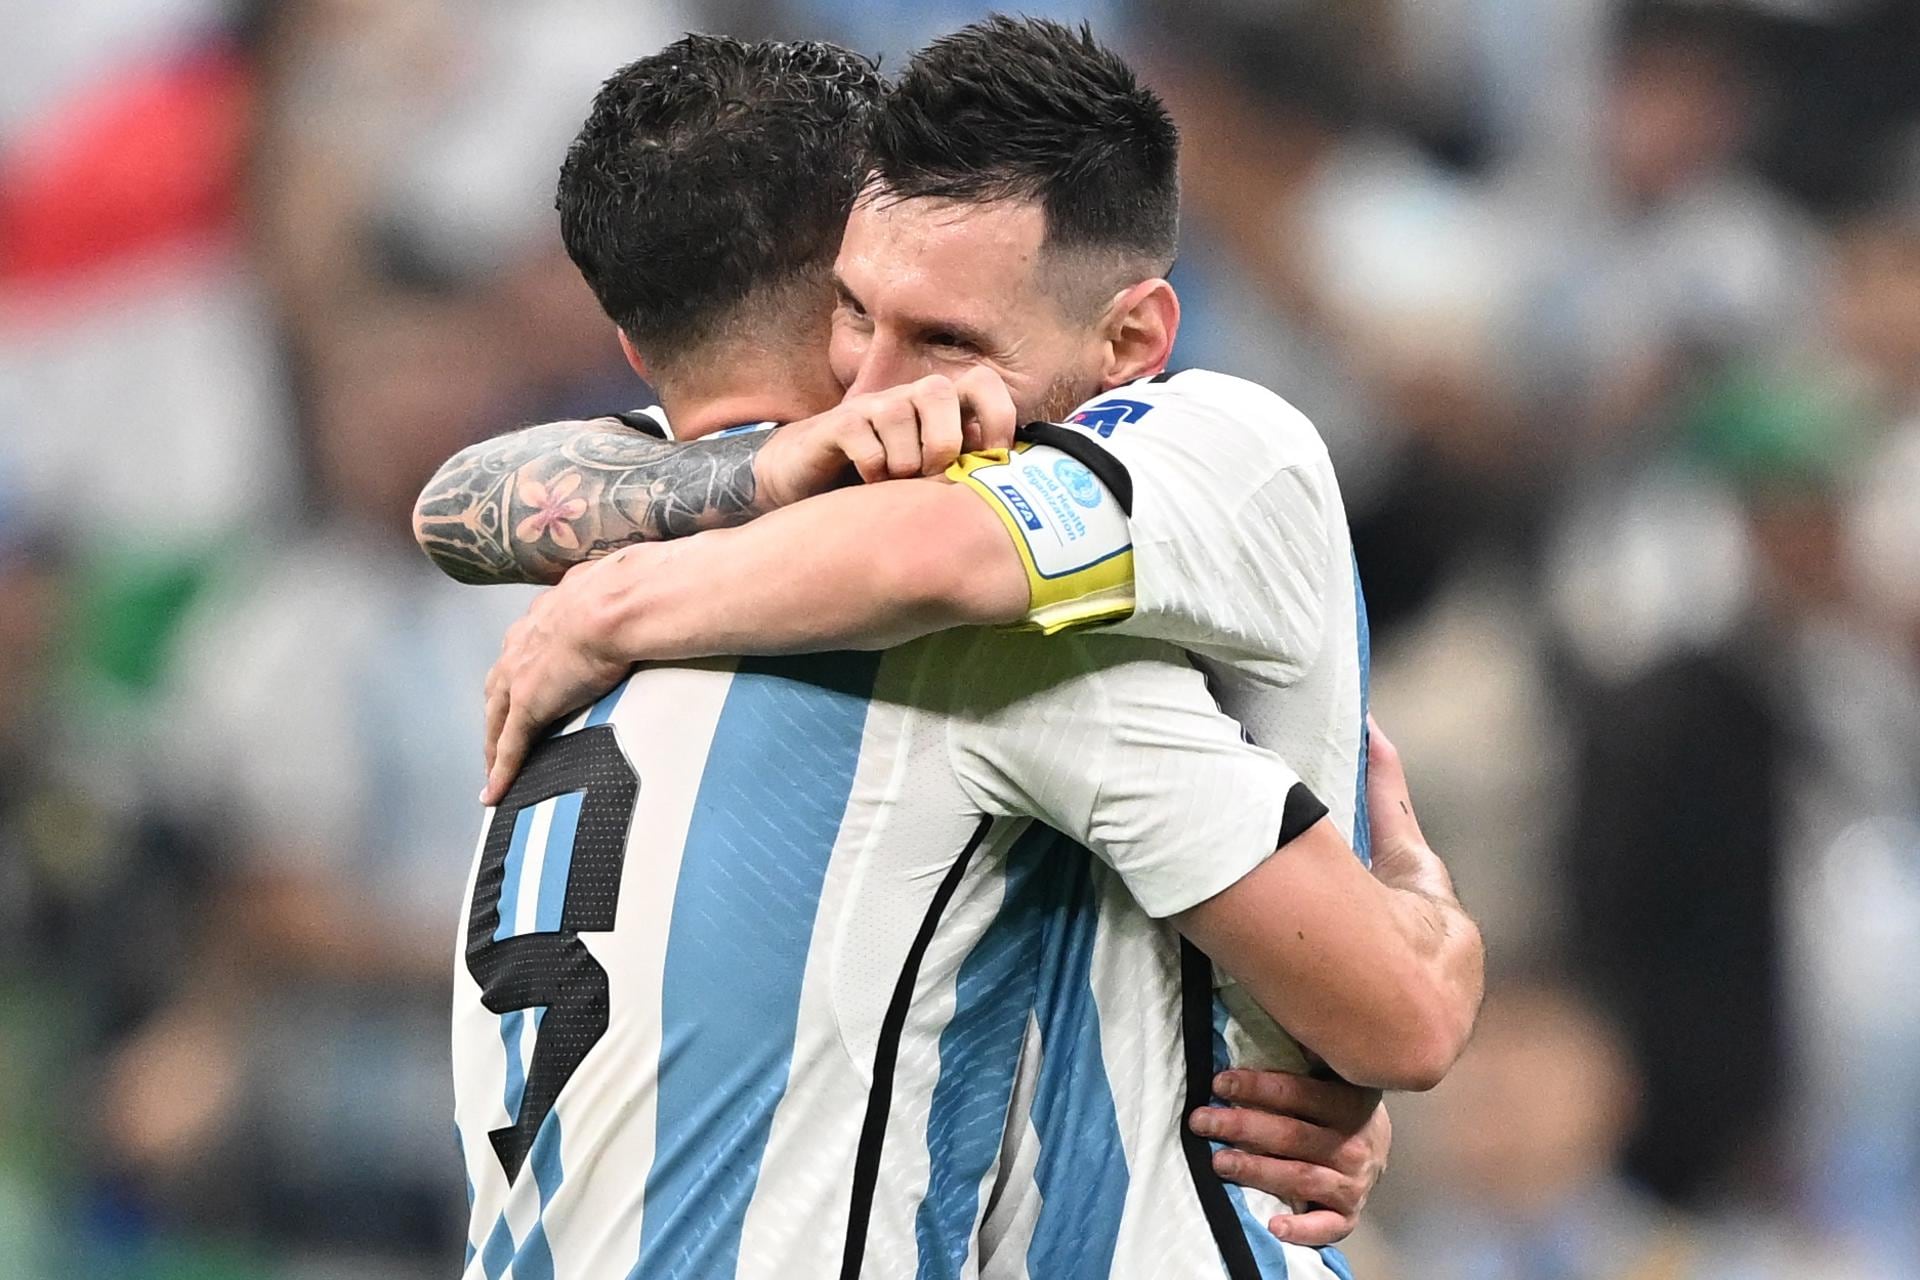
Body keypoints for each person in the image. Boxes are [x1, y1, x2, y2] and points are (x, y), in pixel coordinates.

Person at [431, 27, 1480, 1279]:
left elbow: (469, 503)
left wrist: (614, 603)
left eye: (940, 339)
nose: (880, 386)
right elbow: (1402, 1010)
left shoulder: (596, 585)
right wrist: (1425, 943)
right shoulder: (942, 636)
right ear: (840, 263)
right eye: (859, 318)